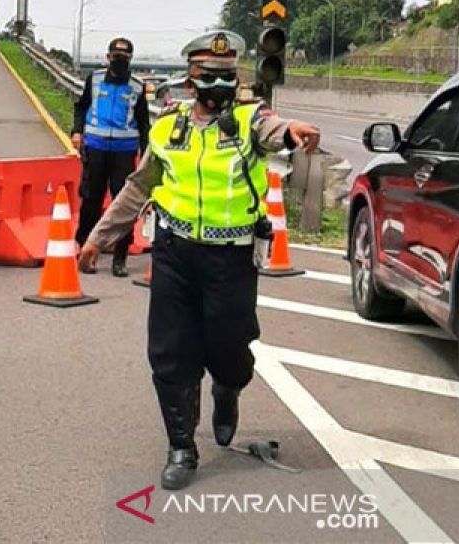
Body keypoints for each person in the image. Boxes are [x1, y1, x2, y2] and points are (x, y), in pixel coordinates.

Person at [78, 30, 320, 491]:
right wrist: (99, 237)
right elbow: (138, 186)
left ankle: (227, 392)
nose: (220, 85)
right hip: (173, 255)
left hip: (230, 260)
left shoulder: (249, 120)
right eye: (210, 76)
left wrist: (292, 132)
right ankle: (182, 445)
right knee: (170, 352)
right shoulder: (168, 128)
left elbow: (275, 129)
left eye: (228, 76)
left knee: (231, 349)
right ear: (191, 81)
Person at [71, 37, 149, 276]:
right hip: (95, 148)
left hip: (124, 153)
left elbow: (144, 123)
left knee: (122, 205)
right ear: (107, 58)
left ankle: (120, 258)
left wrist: (146, 154)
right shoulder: (94, 80)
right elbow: (82, 106)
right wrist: (76, 131)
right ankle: (83, 248)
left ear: (130, 60)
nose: (119, 62)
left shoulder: (136, 86)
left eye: (124, 58)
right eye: (116, 57)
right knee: (91, 201)